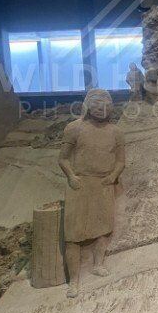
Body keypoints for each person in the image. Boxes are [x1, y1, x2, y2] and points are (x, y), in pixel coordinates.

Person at [58, 89, 126, 298]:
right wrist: (71, 177)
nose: (101, 109)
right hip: (80, 184)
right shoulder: (74, 128)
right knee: (73, 234)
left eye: (105, 106)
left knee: (104, 228)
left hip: (103, 184)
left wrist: (112, 176)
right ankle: (74, 281)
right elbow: (63, 159)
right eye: (97, 105)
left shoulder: (116, 132)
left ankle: (97, 264)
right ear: (88, 106)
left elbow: (121, 161)